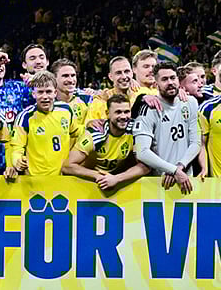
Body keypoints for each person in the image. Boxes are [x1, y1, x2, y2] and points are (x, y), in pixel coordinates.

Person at [132, 61, 200, 192]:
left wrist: (179, 168)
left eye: (173, 78)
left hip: (187, 179)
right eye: (164, 79)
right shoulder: (148, 109)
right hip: (159, 183)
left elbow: (195, 142)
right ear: (156, 84)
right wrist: (173, 170)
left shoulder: (190, 103)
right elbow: (142, 152)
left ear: (178, 80)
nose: (170, 82)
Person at [62, 94, 149, 191]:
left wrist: (116, 178)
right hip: (87, 183)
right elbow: (67, 166)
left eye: (126, 112)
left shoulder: (135, 131)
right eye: (118, 112)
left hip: (115, 179)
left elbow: (145, 166)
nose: (123, 116)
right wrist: (98, 176)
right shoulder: (96, 134)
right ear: (108, 113)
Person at [7, 71, 83, 178]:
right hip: (36, 179)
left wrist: (92, 127)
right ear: (33, 94)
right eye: (40, 92)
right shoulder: (25, 117)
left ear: (55, 93)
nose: (45, 96)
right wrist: (17, 161)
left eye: (48, 92)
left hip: (63, 178)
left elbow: (76, 131)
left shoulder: (66, 110)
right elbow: (17, 148)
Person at [85, 56, 147, 123]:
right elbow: (89, 126)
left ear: (132, 73)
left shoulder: (144, 94)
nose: (124, 76)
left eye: (127, 71)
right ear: (110, 77)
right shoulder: (100, 101)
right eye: (118, 73)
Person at [51, 59, 93, 127]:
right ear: (54, 78)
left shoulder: (86, 99)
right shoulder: (48, 104)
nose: (71, 80)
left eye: (73, 75)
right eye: (65, 76)